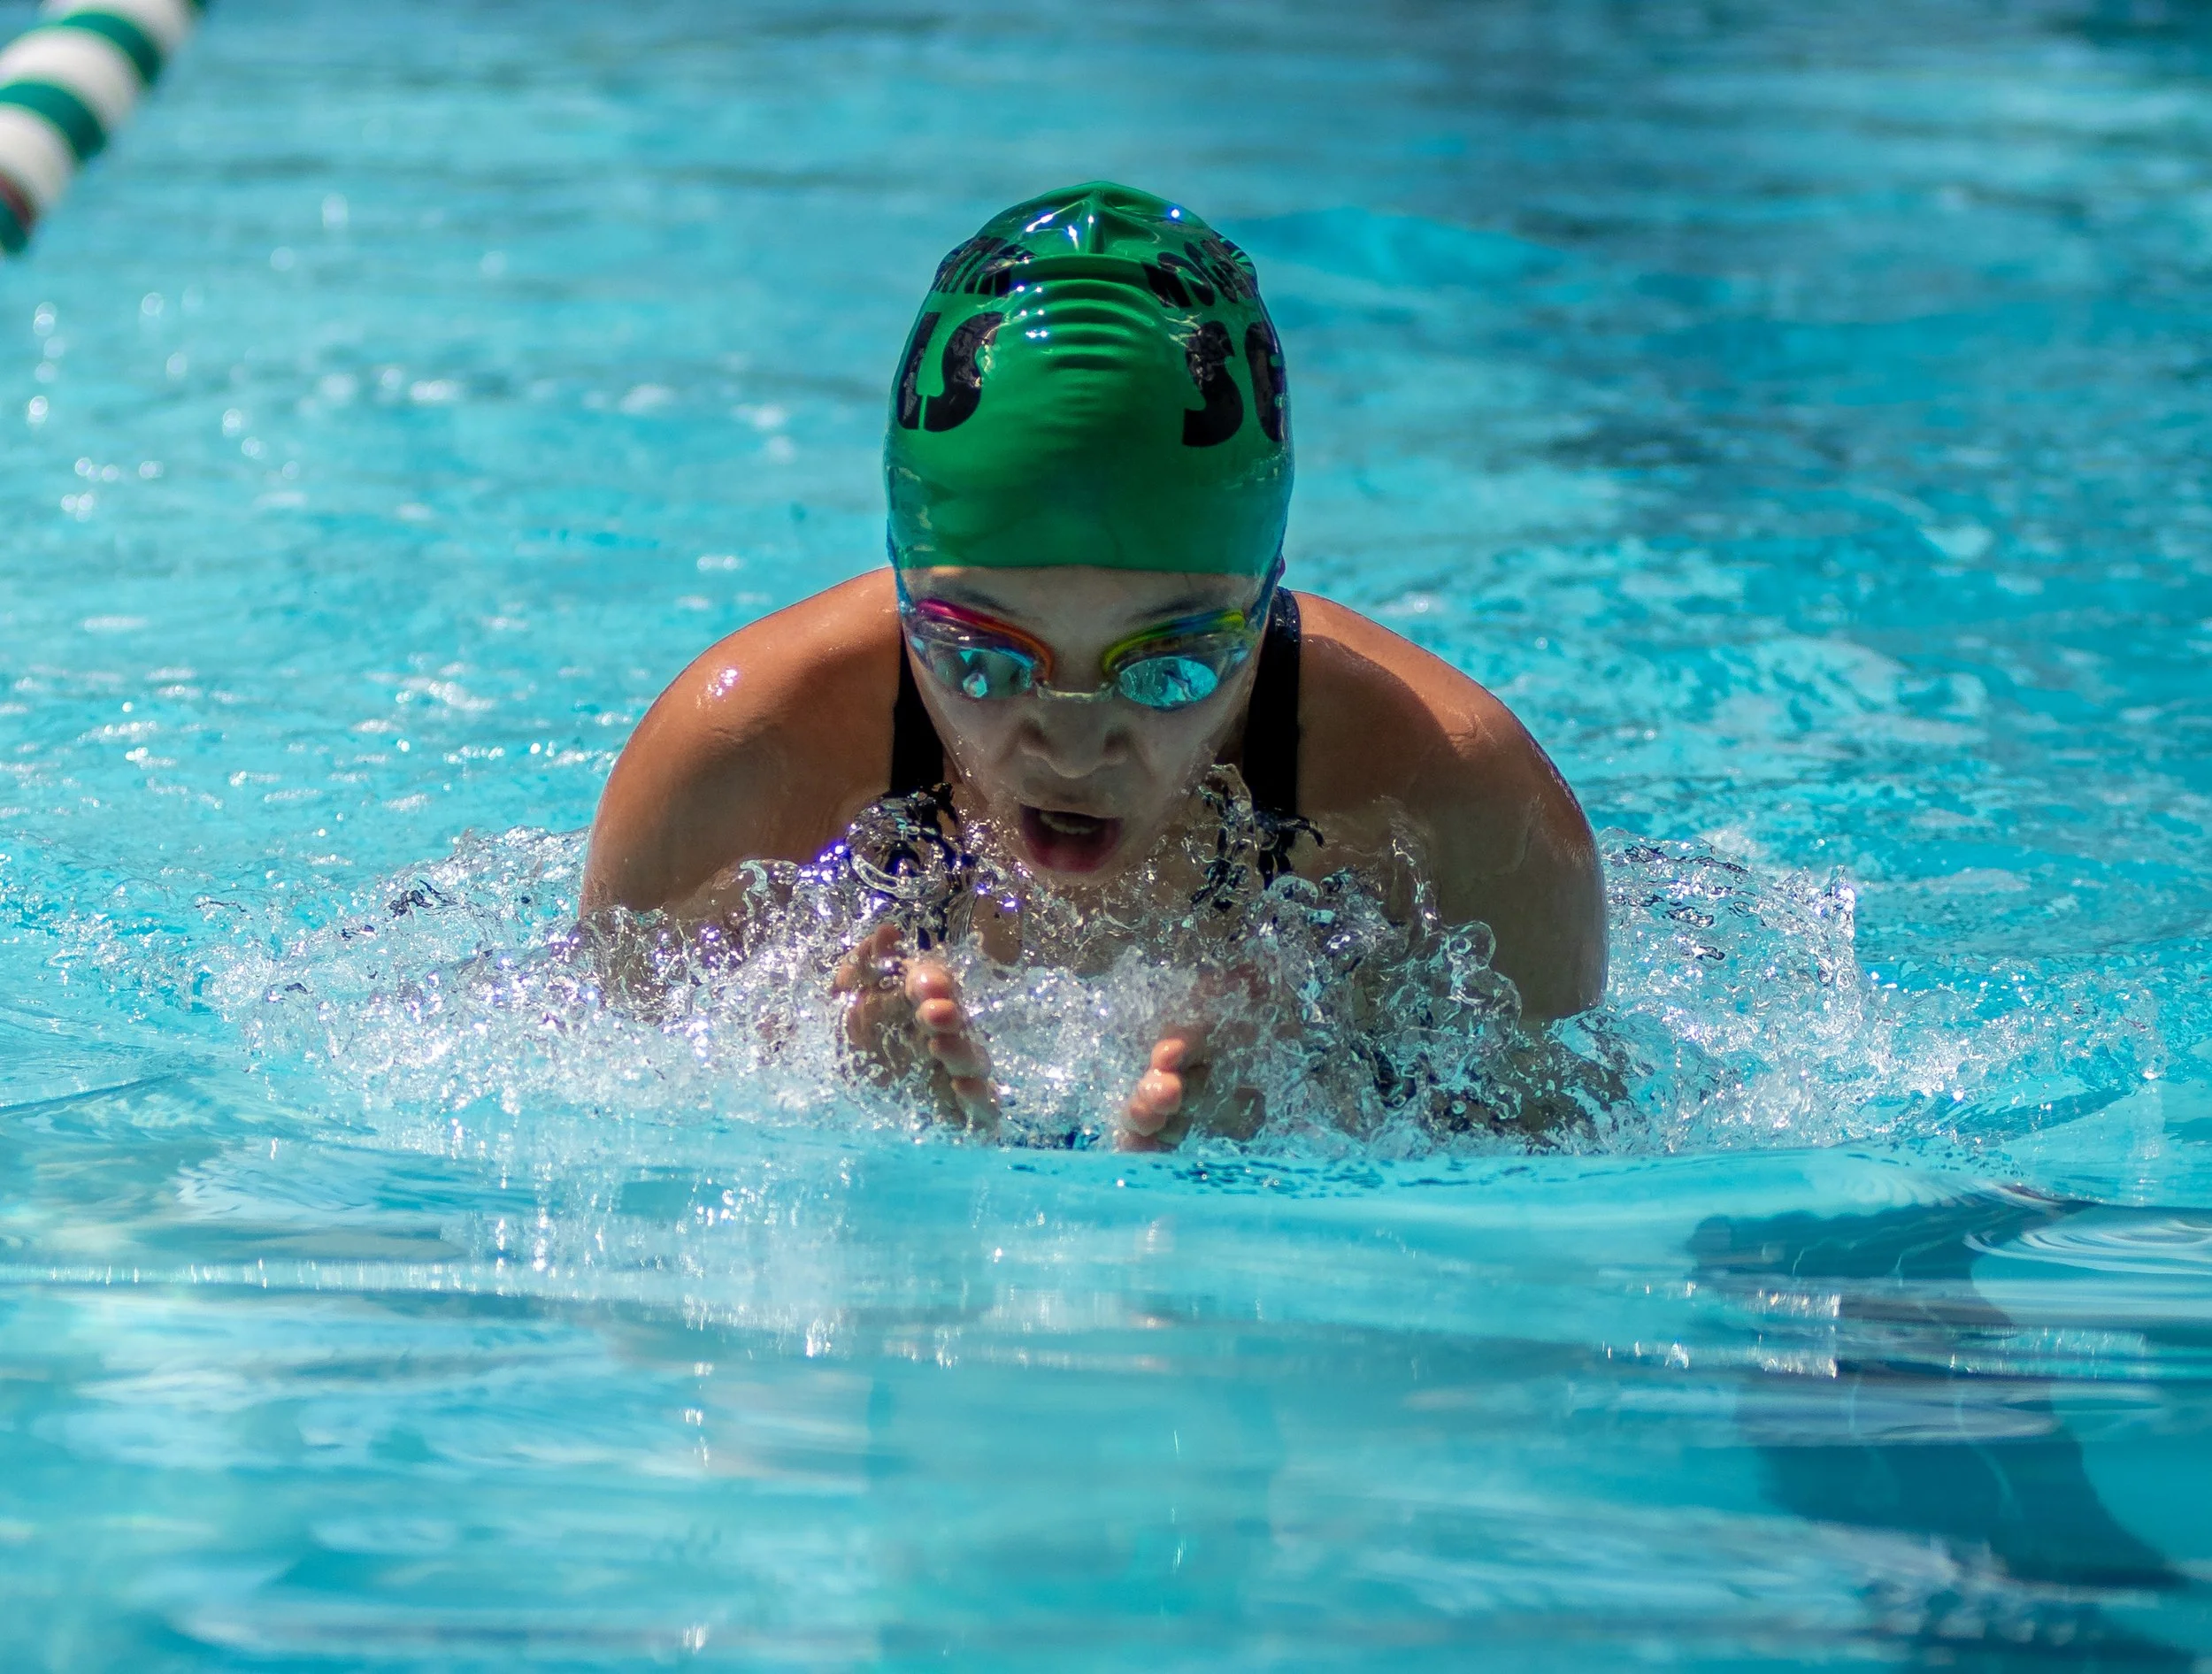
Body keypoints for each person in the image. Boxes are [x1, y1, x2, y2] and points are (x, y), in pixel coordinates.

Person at [582, 182, 1605, 1148]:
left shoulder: (1458, 803)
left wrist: (1323, 1121)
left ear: (1266, 599)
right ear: (902, 587)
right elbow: (610, 1130)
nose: (1072, 744)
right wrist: (834, 1105)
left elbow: (1563, 1178)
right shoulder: (742, 756)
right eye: (984, 660)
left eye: (1168, 667)